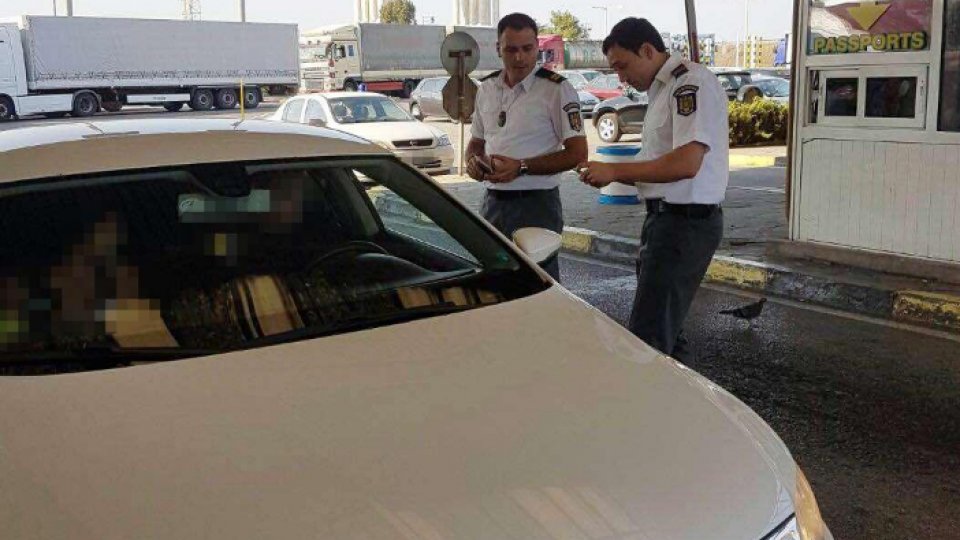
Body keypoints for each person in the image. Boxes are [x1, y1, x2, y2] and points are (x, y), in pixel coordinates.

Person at [577, 17, 728, 360]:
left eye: (622, 66)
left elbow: (686, 163)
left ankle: (654, 410)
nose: (621, 77)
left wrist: (614, 170)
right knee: (667, 338)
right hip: (665, 222)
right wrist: (610, 173)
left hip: (684, 225)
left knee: (648, 340)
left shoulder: (690, 83)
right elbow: (659, 163)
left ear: (646, 50)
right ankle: (684, 408)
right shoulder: (663, 90)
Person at [465, 12, 588, 281]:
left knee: (537, 283)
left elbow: (578, 154)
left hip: (536, 204)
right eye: (511, 49)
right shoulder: (486, 88)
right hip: (492, 203)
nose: (519, 57)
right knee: (493, 283)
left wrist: (521, 167)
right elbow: (476, 141)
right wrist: (473, 162)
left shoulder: (557, 89)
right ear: (498, 49)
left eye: (527, 49)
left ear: (537, 48)